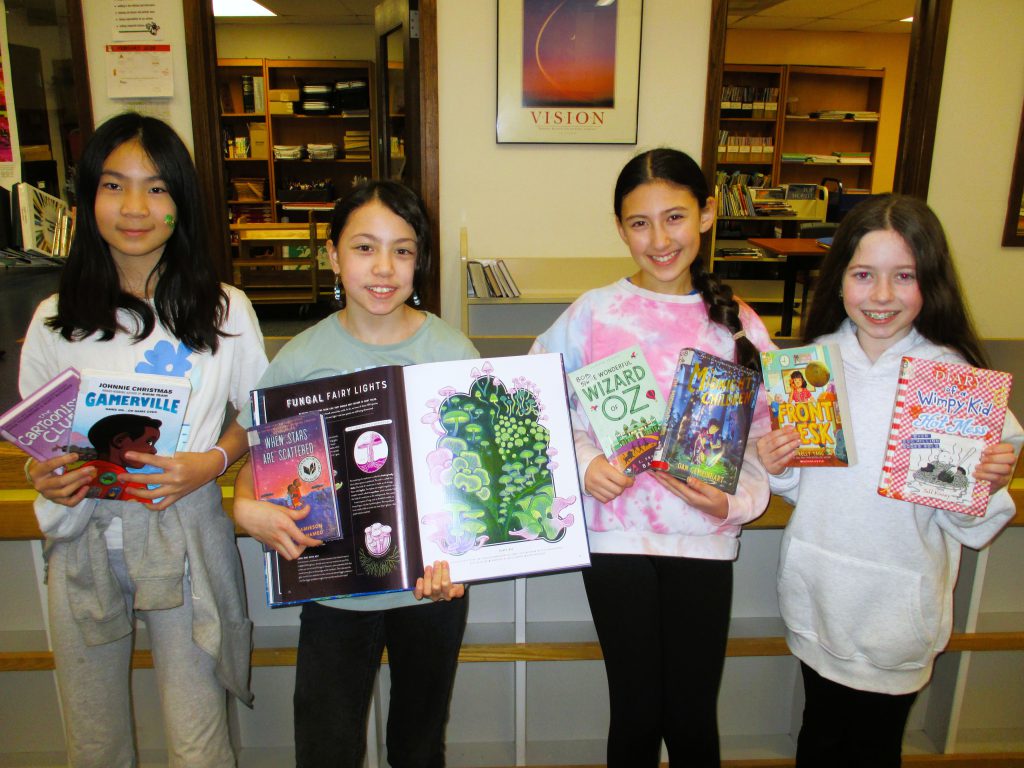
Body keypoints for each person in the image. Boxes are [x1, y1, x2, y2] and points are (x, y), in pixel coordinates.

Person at [19, 112, 269, 766]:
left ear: (181, 203)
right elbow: (39, 448)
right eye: (114, 185)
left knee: (196, 738)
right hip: (82, 544)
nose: (135, 207)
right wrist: (43, 476)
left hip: (183, 536)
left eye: (157, 188)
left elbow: (263, 416)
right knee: (94, 738)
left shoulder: (224, 310)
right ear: (87, 199)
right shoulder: (54, 321)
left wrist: (211, 461)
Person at [755, 194, 1022, 768]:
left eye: (903, 276)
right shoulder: (811, 364)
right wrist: (778, 467)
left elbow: (969, 524)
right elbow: (808, 486)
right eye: (863, 275)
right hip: (819, 598)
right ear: (839, 280)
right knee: (819, 736)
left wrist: (982, 482)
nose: (880, 296)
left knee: (874, 749)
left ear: (930, 281)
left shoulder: (952, 380)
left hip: (898, 613)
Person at [530, 148, 775, 767]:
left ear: (708, 215)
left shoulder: (740, 325)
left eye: (675, 217)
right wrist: (585, 462)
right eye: (640, 223)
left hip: (703, 539)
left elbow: (765, 444)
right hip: (617, 543)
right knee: (636, 714)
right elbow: (536, 404)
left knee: (693, 719)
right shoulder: (593, 313)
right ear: (620, 228)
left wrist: (735, 501)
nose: (660, 239)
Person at [232, 179, 476, 768]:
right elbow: (255, 467)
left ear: (420, 260)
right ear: (333, 256)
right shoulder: (301, 357)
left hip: (429, 590)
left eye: (403, 249)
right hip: (336, 590)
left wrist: (469, 558)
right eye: (364, 248)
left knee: (419, 747)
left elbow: (476, 484)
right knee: (325, 748)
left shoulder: (454, 354)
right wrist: (245, 508)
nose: (384, 267)